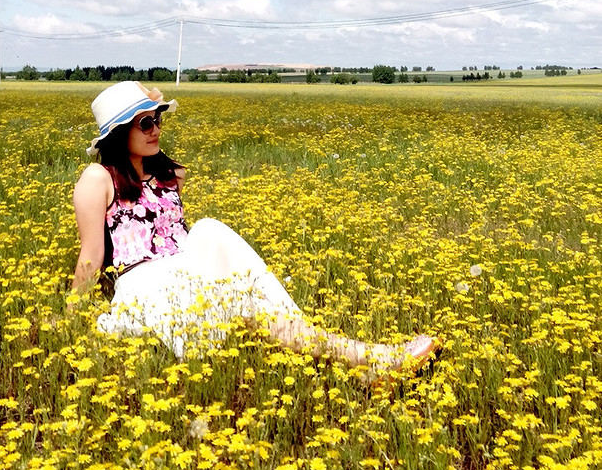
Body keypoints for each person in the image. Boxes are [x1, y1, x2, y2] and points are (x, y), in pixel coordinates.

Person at [69, 80, 440, 380]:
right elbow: (92, 255)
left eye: (158, 119)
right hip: (148, 290)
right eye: (145, 123)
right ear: (119, 132)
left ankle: (370, 362)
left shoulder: (170, 175)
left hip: (186, 280)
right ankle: (374, 360)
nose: (156, 130)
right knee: (246, 293)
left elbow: (178, 238)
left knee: (209, 233)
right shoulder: (98, 178)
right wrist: (72, 318)